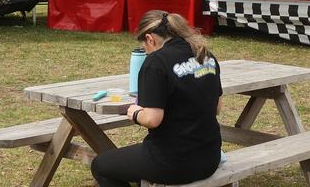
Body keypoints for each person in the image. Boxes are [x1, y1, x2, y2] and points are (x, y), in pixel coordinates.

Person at [91, 11, 223, 187]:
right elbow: (217, 108)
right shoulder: (204, 55)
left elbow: (153, 119)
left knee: (100, 165)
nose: (146, 52)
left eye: (145, 47)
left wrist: (136, 113)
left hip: (173, 162)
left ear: (150, 39)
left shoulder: (156, 62)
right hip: (210, 158)